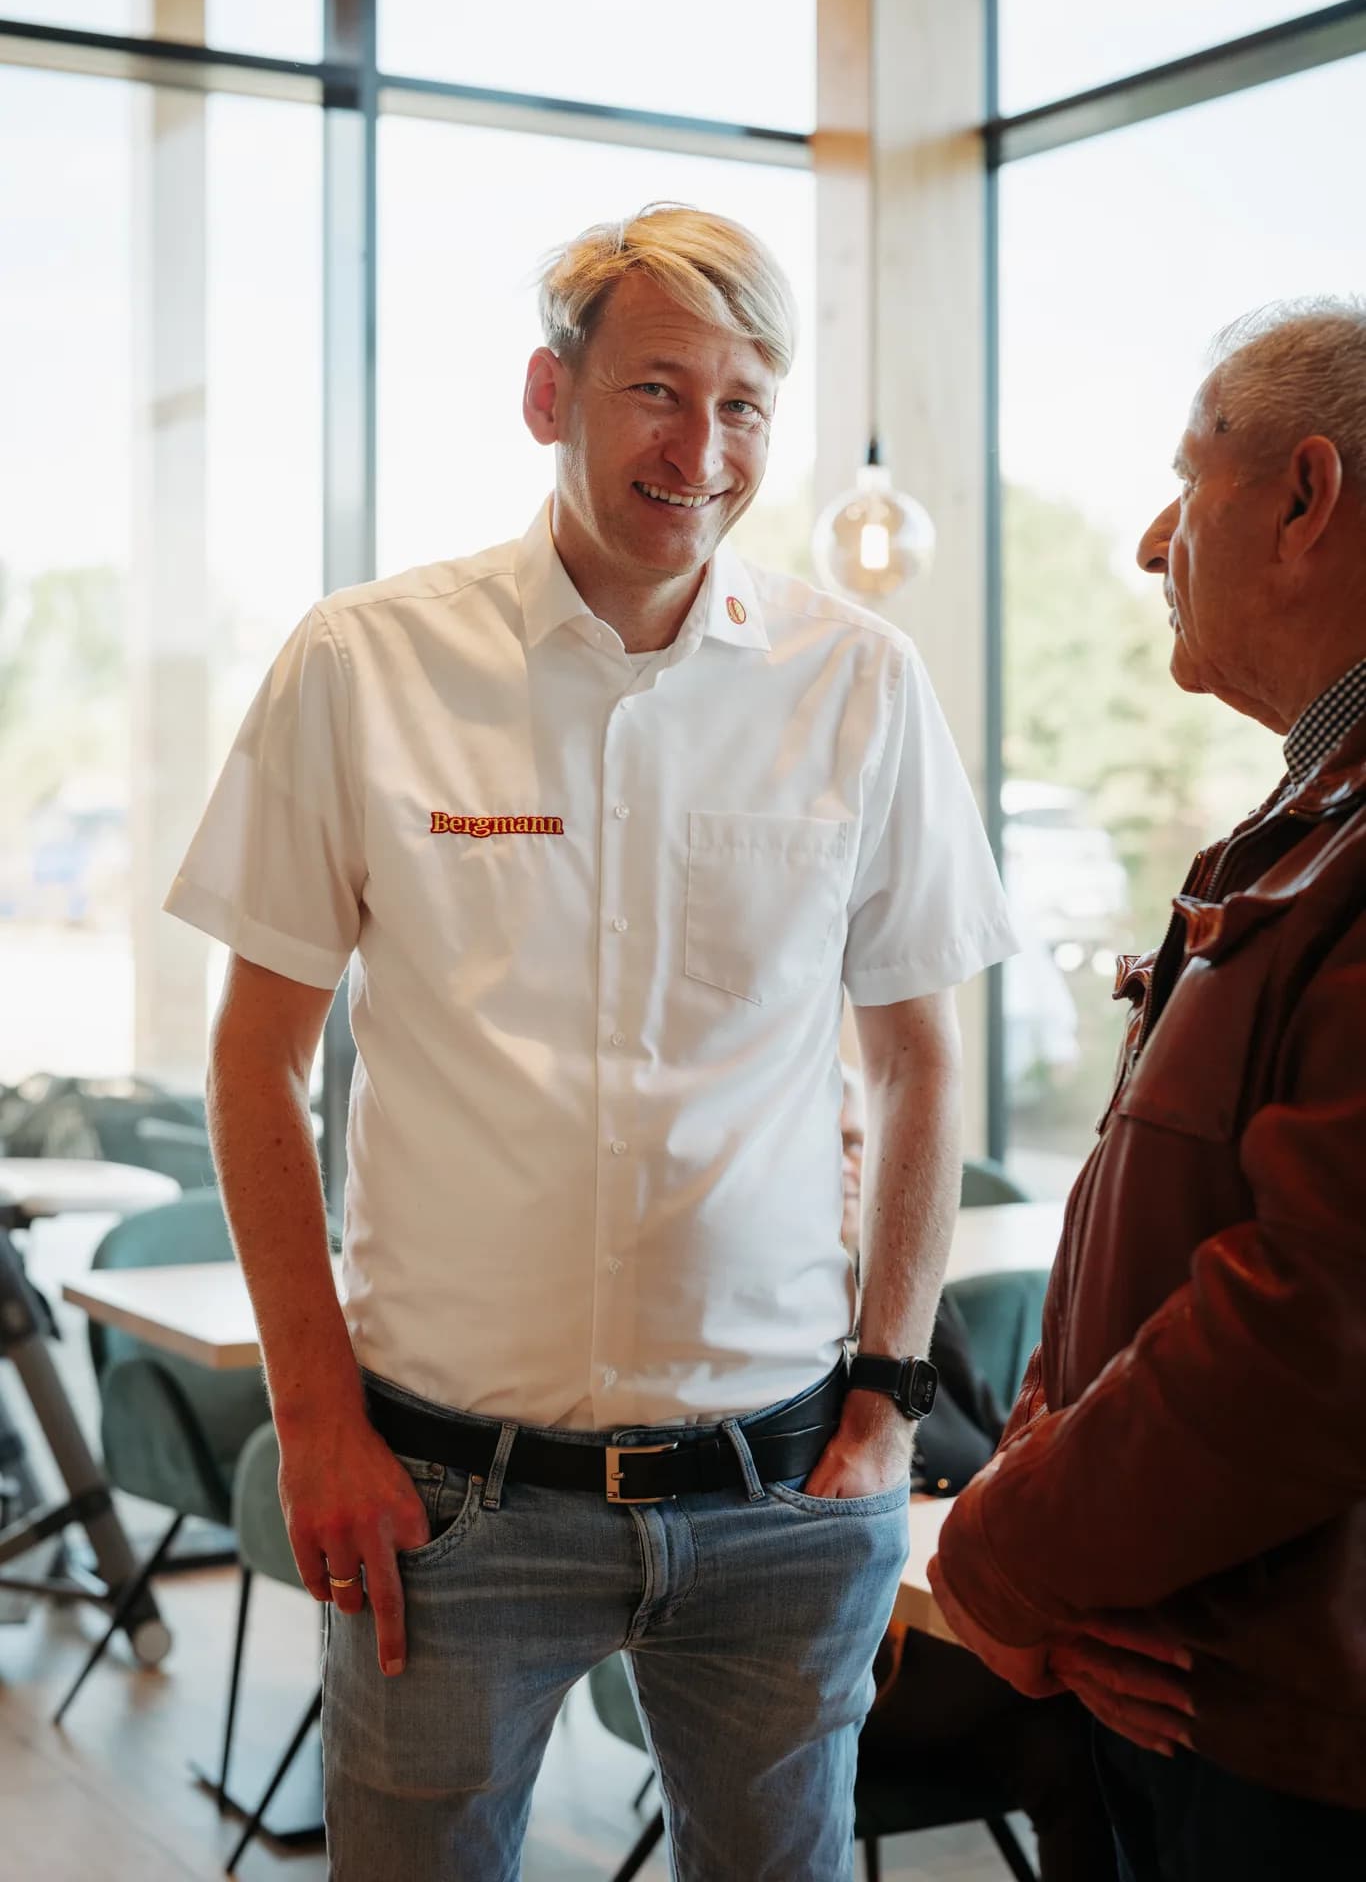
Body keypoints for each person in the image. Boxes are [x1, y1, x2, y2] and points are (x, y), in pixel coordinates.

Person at [166, 204, 1017, 1881]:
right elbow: (255, 1059)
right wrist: (318, 1420)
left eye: (746, 401)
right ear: (549, 396)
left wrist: (884, 1411)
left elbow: (919, 1061)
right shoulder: (366, 662)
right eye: (655, 389)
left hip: (784, 1494)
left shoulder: (857, 679)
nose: (701, 448)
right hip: (446, 1496)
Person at [928, 297, 1366, 1881]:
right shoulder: (1306, 818)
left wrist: (1000, 1550)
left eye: (1189, 480)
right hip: (1204, 1690)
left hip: (1291, 1749)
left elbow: (1310, 1321)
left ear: (1304, 497)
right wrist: (1058, 1541)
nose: (1144, 542)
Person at [837, 1076, 1117, 1881]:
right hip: (862, 1662)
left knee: (1088, 1734)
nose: (851, 1165)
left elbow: (1002, 1448)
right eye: (826, 1145)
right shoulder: (758, 1342)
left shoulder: (911, 1300)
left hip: (965, 1633)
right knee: (1094, 1696)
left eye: (860, 1143)